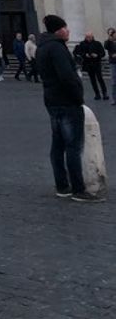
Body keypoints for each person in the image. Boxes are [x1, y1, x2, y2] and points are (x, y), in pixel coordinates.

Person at [35, 14, 100, 202]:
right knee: (73, 145)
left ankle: (62, 185)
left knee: (58, 144)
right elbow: (67, 77)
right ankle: (78, 189)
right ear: (59, 30)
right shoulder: (57, 48)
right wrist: (78, 96)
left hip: (52, 101)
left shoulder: (42, 47)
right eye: (66, 27)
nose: (69, 30)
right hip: (67, 102)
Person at [73, 32, 108, 100]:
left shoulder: (97, 43)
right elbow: (78, 52)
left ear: (92, 37)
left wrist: (97, 55)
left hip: (96, 63)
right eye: (87, 37)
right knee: (92, 80)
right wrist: (85, 55)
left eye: (90, 37)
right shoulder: (82, 44)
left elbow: (103, 53)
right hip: (88, 64)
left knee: (100, 78)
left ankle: (104, 93)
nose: (88, 38)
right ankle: (97, 94)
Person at [105, 28, 116, 104]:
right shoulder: (108, 42)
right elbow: (106, 46)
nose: (113, 35)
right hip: (113, 63)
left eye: (113, 33)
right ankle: (114, 99)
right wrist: (109, 39)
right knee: (114, 81)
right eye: (111, 34)